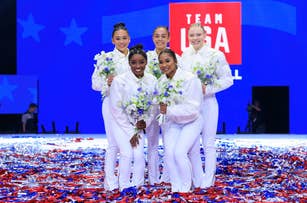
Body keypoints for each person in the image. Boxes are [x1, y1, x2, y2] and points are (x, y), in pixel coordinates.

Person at [181, 23, 234, 188]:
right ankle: (197, 179)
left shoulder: (215, 55)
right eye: (192, 35)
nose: (195, 38)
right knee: (193, 144)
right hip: (190, 105)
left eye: (198, 35)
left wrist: (208, 88)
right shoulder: (184, 55)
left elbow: (228, 79)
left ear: (205, 36)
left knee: (208, 143)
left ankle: (208, 181)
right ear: (188, 37)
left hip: (209, 103)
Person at [109, 44, 157, 190]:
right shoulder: (119, 81)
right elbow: (116, 109)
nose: (138, 66)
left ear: (146, 63)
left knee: (139, 155)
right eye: (134, 62)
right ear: (129, 63)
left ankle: (137, 186)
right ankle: (123, 186)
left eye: (141, 62)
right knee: (127, 154)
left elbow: (153, 106)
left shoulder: (152, 80)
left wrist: (145, 122)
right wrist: (131, 132)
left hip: (138, 126)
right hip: (120, 124)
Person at [157, 48, 203, 192]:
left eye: (168, 61)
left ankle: (186, 186)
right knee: (169, 154)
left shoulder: (190, 78)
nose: (164, 65)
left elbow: (194, 109)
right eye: (161, 62)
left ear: (175, 61)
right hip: (173, 122)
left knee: (179, 152)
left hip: (192, 121)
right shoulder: (160, 82)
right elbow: (159, 105)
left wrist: (169, 110)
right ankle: (176, 186)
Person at [91, 22, 130, 191]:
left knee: (129, 145)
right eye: (118, 38)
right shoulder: (106, 58)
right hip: (110, 104)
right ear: (113, 40)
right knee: (113, 144)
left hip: (131, 106)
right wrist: (107, 83)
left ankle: (125, 179)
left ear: (129, 39)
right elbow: (94, 84)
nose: (121, 41)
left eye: (124, 38)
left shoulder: (135, 57)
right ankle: (110, 181)